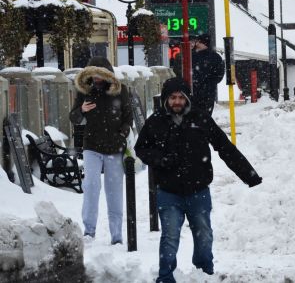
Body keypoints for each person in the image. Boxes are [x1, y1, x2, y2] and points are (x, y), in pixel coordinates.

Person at [135, 77, 262, 283]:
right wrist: (161, 159)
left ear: (187, 98)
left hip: (198, 189)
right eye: (173, 98)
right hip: (168, 191)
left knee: (204, 234)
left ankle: (204, 273)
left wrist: (249, 175)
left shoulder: (200, 118)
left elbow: (224, 147)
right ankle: (165, 277)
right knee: (169, 237)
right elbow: (141, 148)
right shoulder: (156, 121)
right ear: (166, 99)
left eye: (181, 98)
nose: (177, 102)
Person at [69, 56, 132, 245]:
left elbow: (128, 117)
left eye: (99, 75)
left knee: (114, 191)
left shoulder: (121, 92)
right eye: (93, 75)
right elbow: (73, 117)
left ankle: (117, 235)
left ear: (107, 75)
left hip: (114, 148)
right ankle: (89, 231)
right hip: (92, 146)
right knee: (91, 186)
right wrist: (81, 109)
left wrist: (122, 133)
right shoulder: (84, 92)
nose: (96, 79)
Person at [191, 34, 225, 116]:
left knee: (200, 116)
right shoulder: (215, 57)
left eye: (198, 41)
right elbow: (219, 74)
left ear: (203, 43)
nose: (196, 43)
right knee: (204, 116)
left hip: (202, 92)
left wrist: (208, 83)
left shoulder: (193, 56)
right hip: (204, 92)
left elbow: (219, 74)